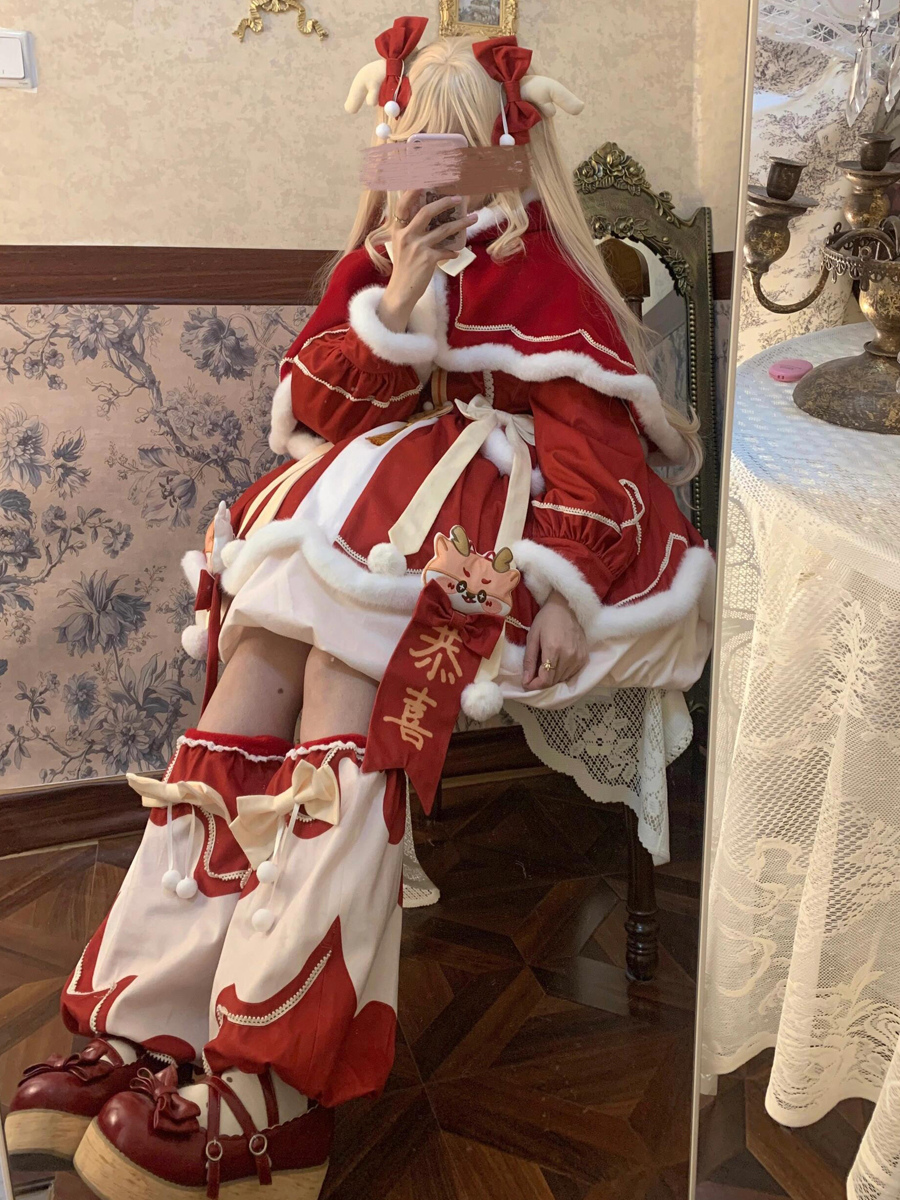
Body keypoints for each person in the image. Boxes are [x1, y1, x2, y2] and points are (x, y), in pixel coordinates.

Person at [4, 19, 714, 1200]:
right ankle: (151, 1018)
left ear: (502, 151)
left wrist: (555, 583)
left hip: (494, 544)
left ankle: (279, 1076)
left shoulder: (547, 275)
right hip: (381, 510)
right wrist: (402, 290)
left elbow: (594, 447)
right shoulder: (387, 262)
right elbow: (326, 409)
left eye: (451, 147)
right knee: (254, 665)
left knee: (341, 674)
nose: (426, 172)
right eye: (409, 144)